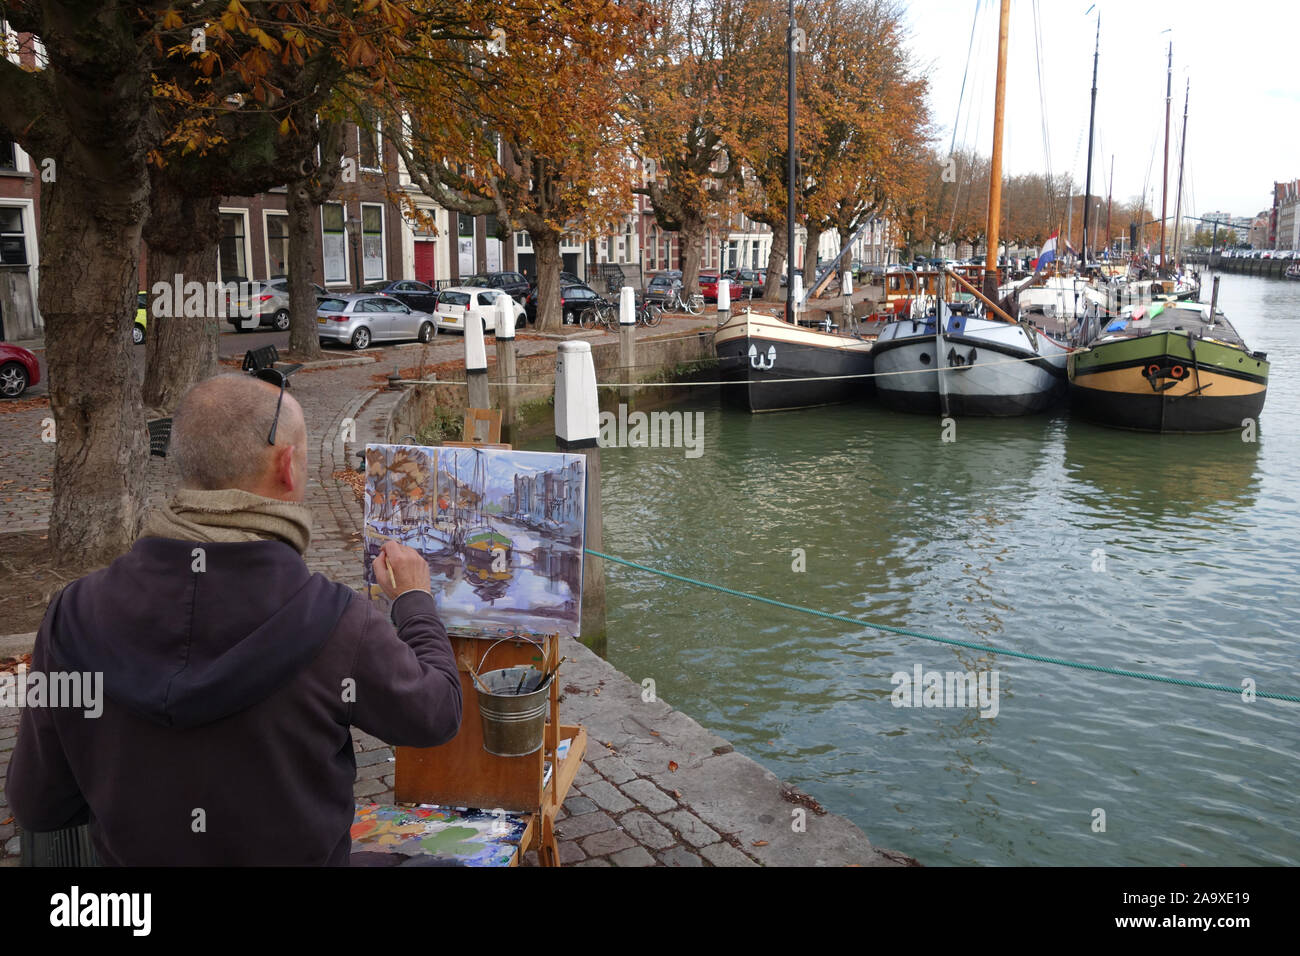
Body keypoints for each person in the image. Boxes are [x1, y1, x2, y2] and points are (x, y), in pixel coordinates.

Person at [6, 373, 461, 865]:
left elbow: (40, 804)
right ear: (288, 467)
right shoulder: (334, 621)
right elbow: (436, 714)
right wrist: (413, 599)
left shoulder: (73, 614)